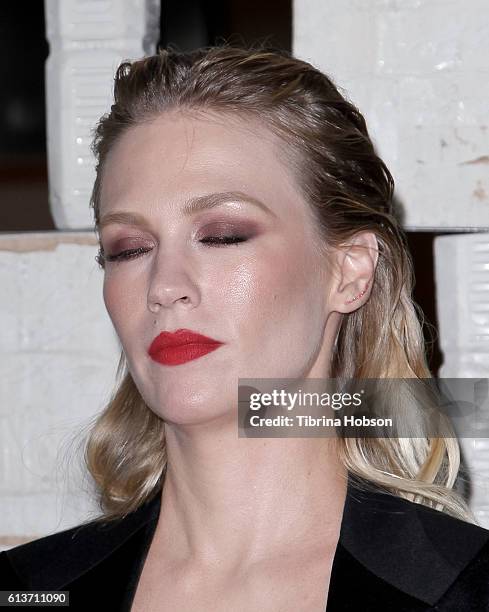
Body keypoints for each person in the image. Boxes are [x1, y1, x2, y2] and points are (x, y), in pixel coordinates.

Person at [2, 45, 489, 611]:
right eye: (130, 248)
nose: (164, 285)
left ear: (348, 271)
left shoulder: (470, 591)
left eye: (223, 235)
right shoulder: (27, 588)